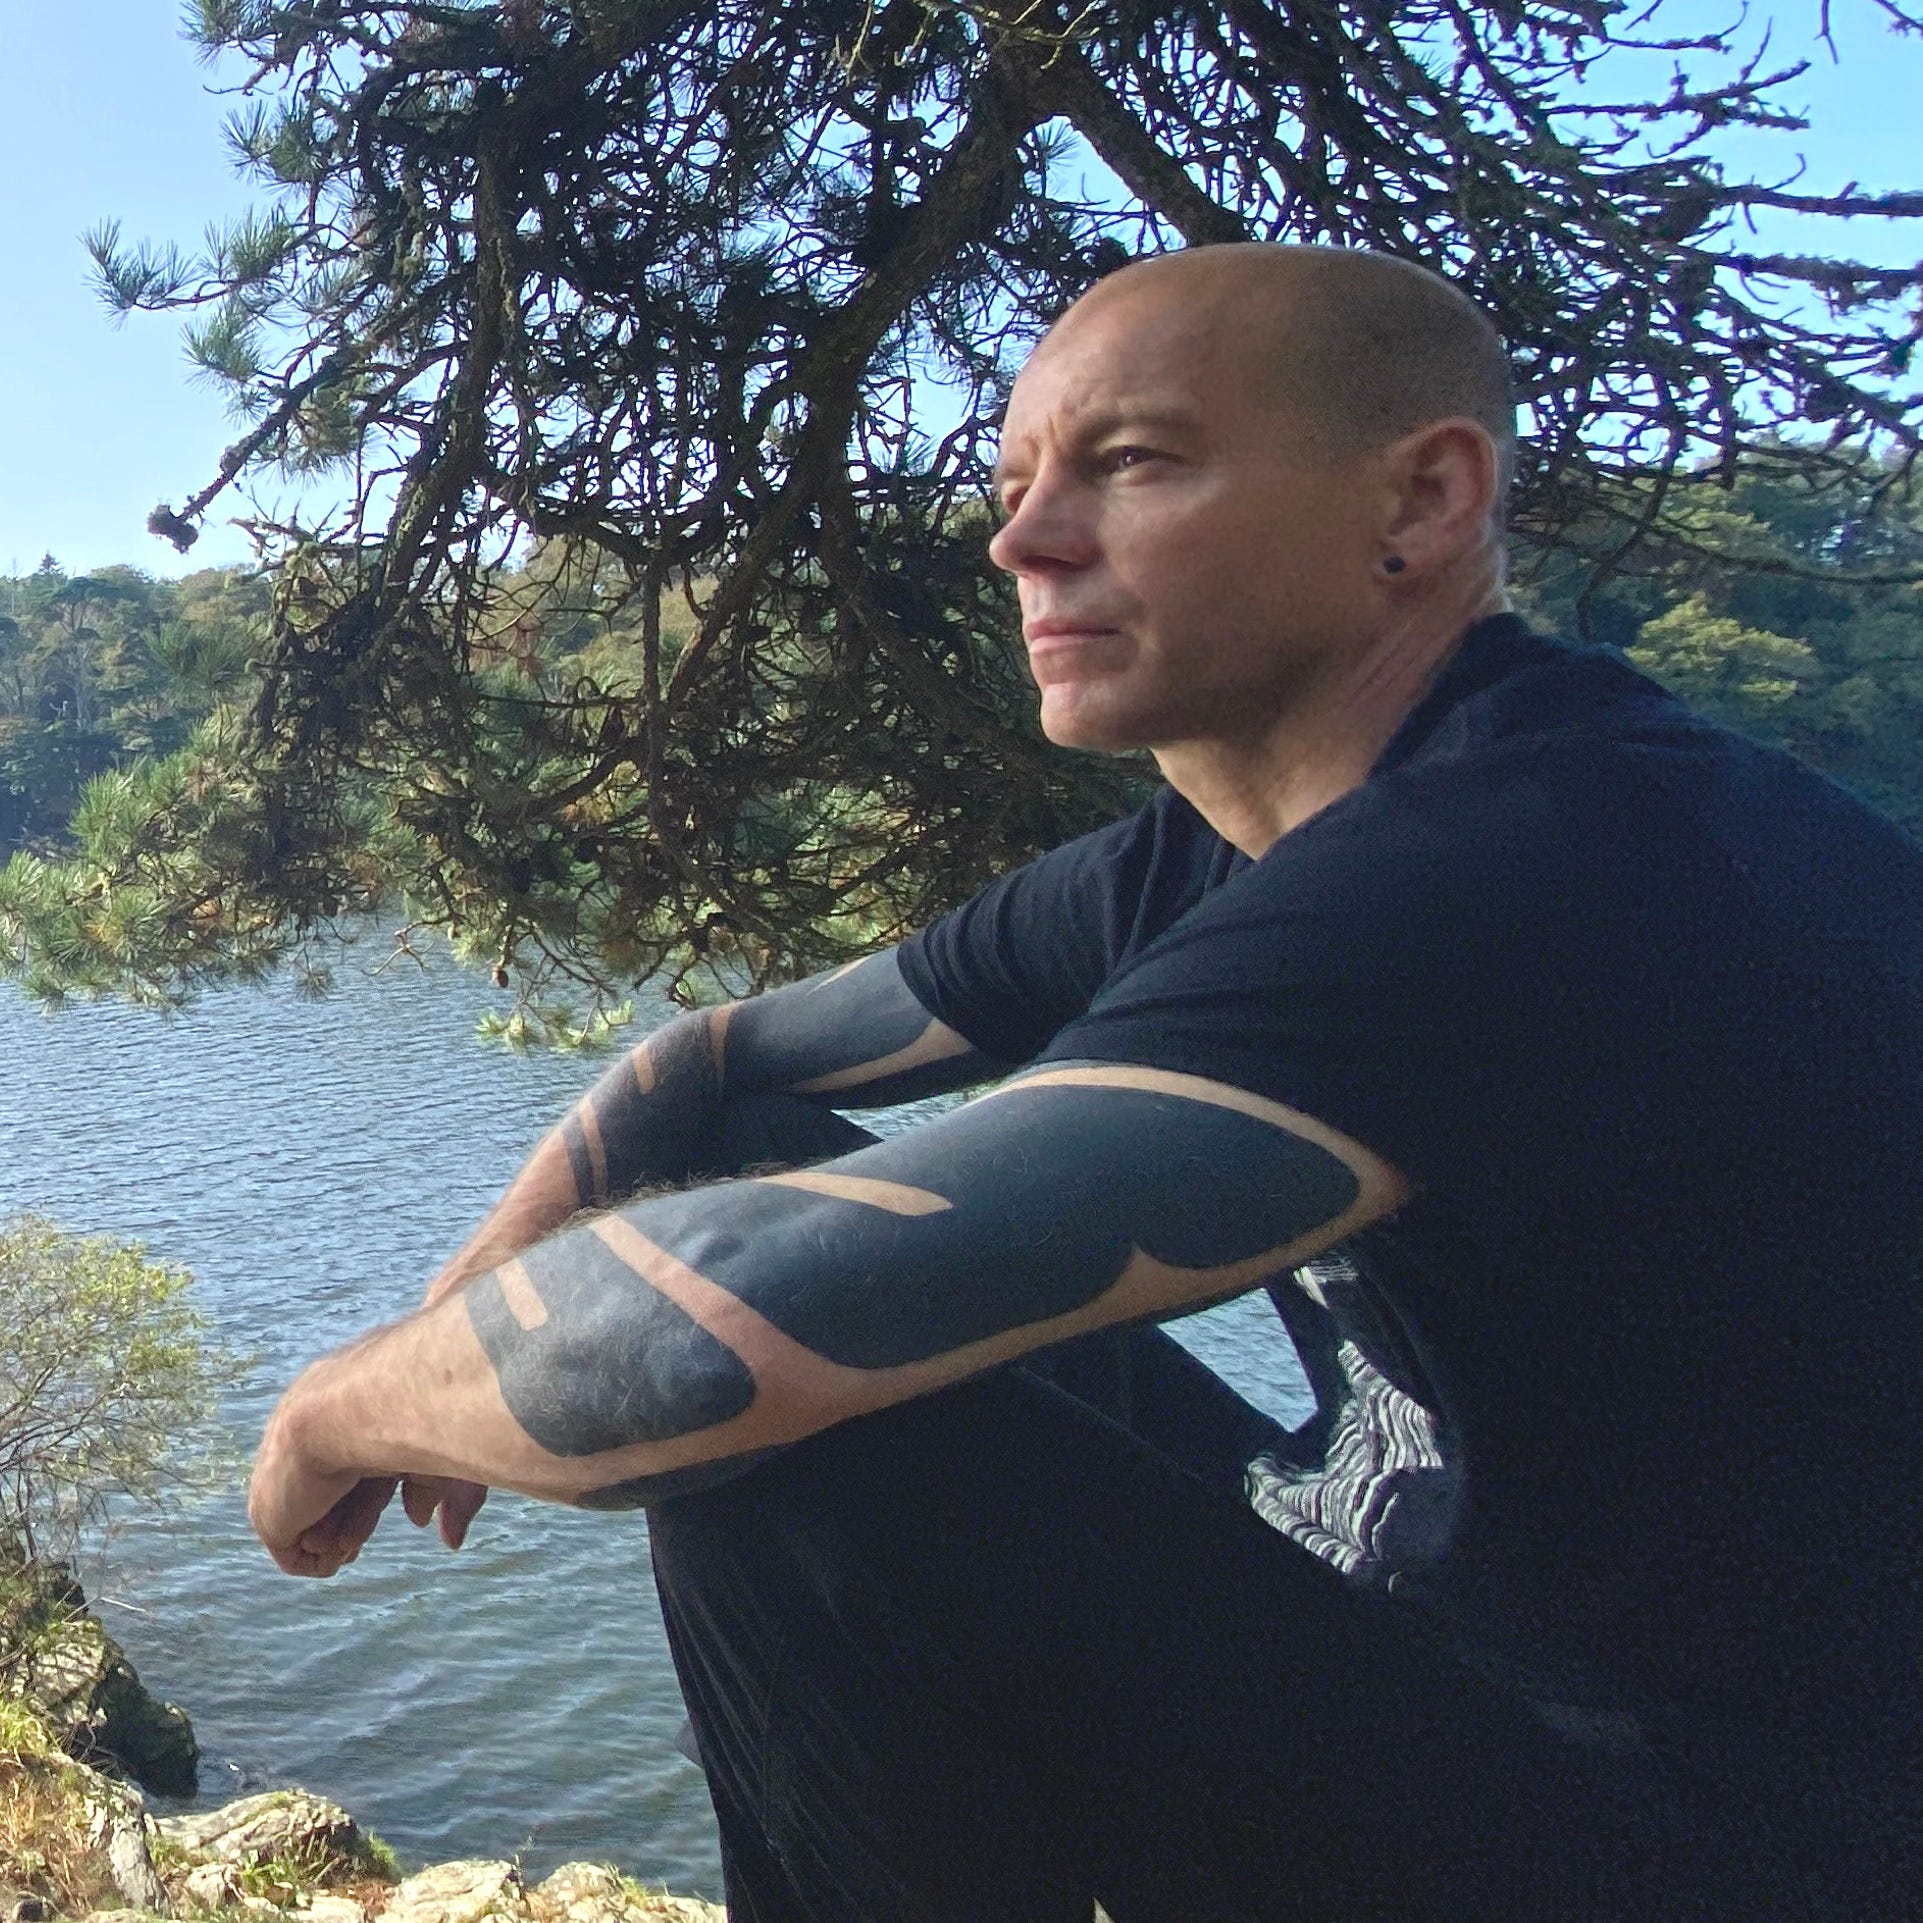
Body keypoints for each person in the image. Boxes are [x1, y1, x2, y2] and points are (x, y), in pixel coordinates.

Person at [250, 245, 1923, 1922]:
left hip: (1718, 1834)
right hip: (1445, 1640)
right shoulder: (1215, 851)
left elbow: (711, 1343)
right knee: (734, 1175)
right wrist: (466, 1299)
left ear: (1420, 500)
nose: (1023, 539)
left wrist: (340, 1405)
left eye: (1131, 462)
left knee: (798, 1425)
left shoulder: (1539, 857)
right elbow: (708, 1062)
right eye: (1016, 480)